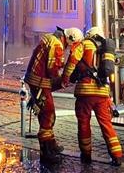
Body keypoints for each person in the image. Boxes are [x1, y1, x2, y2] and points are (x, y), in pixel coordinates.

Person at [62, 26, 123, 166]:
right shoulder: (106, 48)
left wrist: (65, 78)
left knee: (84, 124)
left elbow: (72, 61)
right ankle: (116, 155)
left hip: (85, 92)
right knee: (106, 124)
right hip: (102, 93)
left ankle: (86, 155)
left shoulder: (84, 44)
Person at [24, 26, 82, 164]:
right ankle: (46, 152)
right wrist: (63, 78)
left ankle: (51, 144)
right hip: (40, 82)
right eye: (71, 45)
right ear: (70, 39)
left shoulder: (50, 38)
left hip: (36, 80)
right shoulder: (57, 44)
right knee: (48, 115)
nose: (69, 48)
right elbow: (52, 69)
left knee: (48, 114)